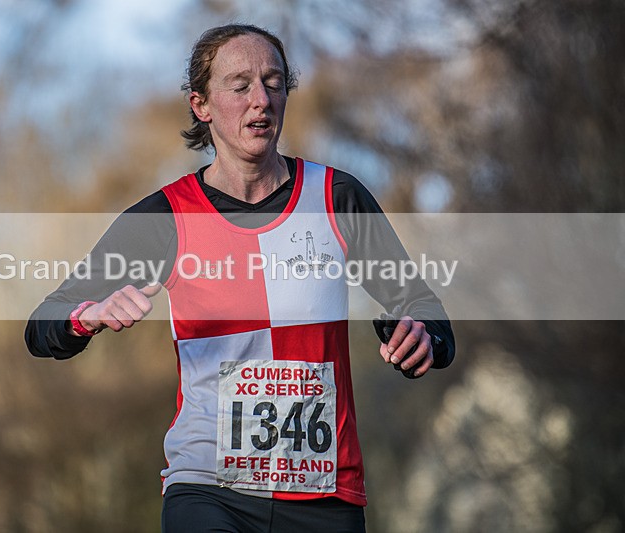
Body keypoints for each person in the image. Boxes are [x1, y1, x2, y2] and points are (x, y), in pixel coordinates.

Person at [26, 23, 455, 533]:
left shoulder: (338, 197)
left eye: (274, 83)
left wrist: (420, 339)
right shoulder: (167, 217)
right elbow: (41, 328)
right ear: (201, 105)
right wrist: (85, 316)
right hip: (208, 488)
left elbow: (426, 313)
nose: (262, 100)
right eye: (241, 85)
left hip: (323, 493)